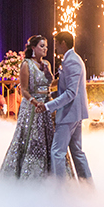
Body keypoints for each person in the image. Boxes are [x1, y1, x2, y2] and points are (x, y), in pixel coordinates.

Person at [0, 34, 57, 180]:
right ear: (33, 48)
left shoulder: (47, 65)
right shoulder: (26, 64)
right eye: (42, 46)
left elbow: (49, 84)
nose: (45, 49)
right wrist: (35, 102)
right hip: (32, 108)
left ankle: (49, 175)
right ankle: (29, 174)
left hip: (46, 106)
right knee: (31, 139)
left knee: (48, 139)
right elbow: (24, 90)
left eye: (46, 46)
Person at [38, 31, 92, 183]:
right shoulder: (72, 59)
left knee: (57, 152)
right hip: (75, 113)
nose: (54, 47)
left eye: (56, 44)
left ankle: (61, 192)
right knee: (77, 152)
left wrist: (48, 106)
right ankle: (87, 187)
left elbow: (70, 93)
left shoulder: (72, 61)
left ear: (63, 43)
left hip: (70, 113)